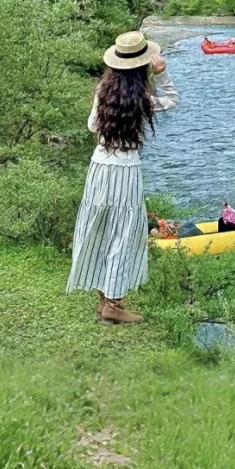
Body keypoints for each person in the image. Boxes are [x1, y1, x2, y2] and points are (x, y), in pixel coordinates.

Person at [67, 31, 178, 324]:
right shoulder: (142, 97)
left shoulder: (103, 90)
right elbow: (173, 100)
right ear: (142, 65)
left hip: (99, 168)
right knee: (124, 232)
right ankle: (114, 305)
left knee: (99, 227)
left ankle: (104, 300)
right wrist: (162, 74)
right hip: (126, 171)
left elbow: (93, 126)